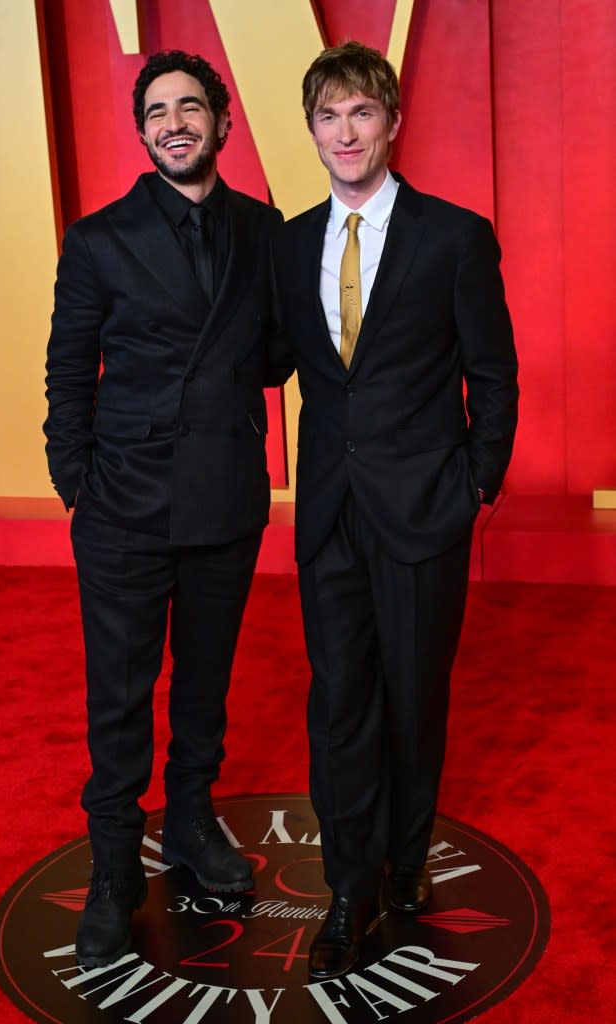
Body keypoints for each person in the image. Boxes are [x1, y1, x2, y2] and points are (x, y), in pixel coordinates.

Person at [276, 41, 519, 980]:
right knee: (339, 701)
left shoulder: (453, 236)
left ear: (391, 123)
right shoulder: (289, 241)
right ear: (312, 131)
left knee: (413, 700)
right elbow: (273, 358)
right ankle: (348, 888)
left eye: (361, 114)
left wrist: (474, 487)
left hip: (425, 510)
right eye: (328, 117)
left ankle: (406, 860)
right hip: (330, 512)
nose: (345, 132)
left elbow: (491, 374)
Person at [44, 49, 287, 968]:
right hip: (124, 507)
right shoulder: (99, 238)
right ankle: (114, 870)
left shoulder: (264, 231)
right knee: (118, 698)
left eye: (191, 106)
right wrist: (79, 482)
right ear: (141, 130)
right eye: (157, 111)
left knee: (203, 686)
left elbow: (273, 356)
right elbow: (68, 373)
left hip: (225, 495)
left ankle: (190, 823)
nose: (174, 122)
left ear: (223, 122)